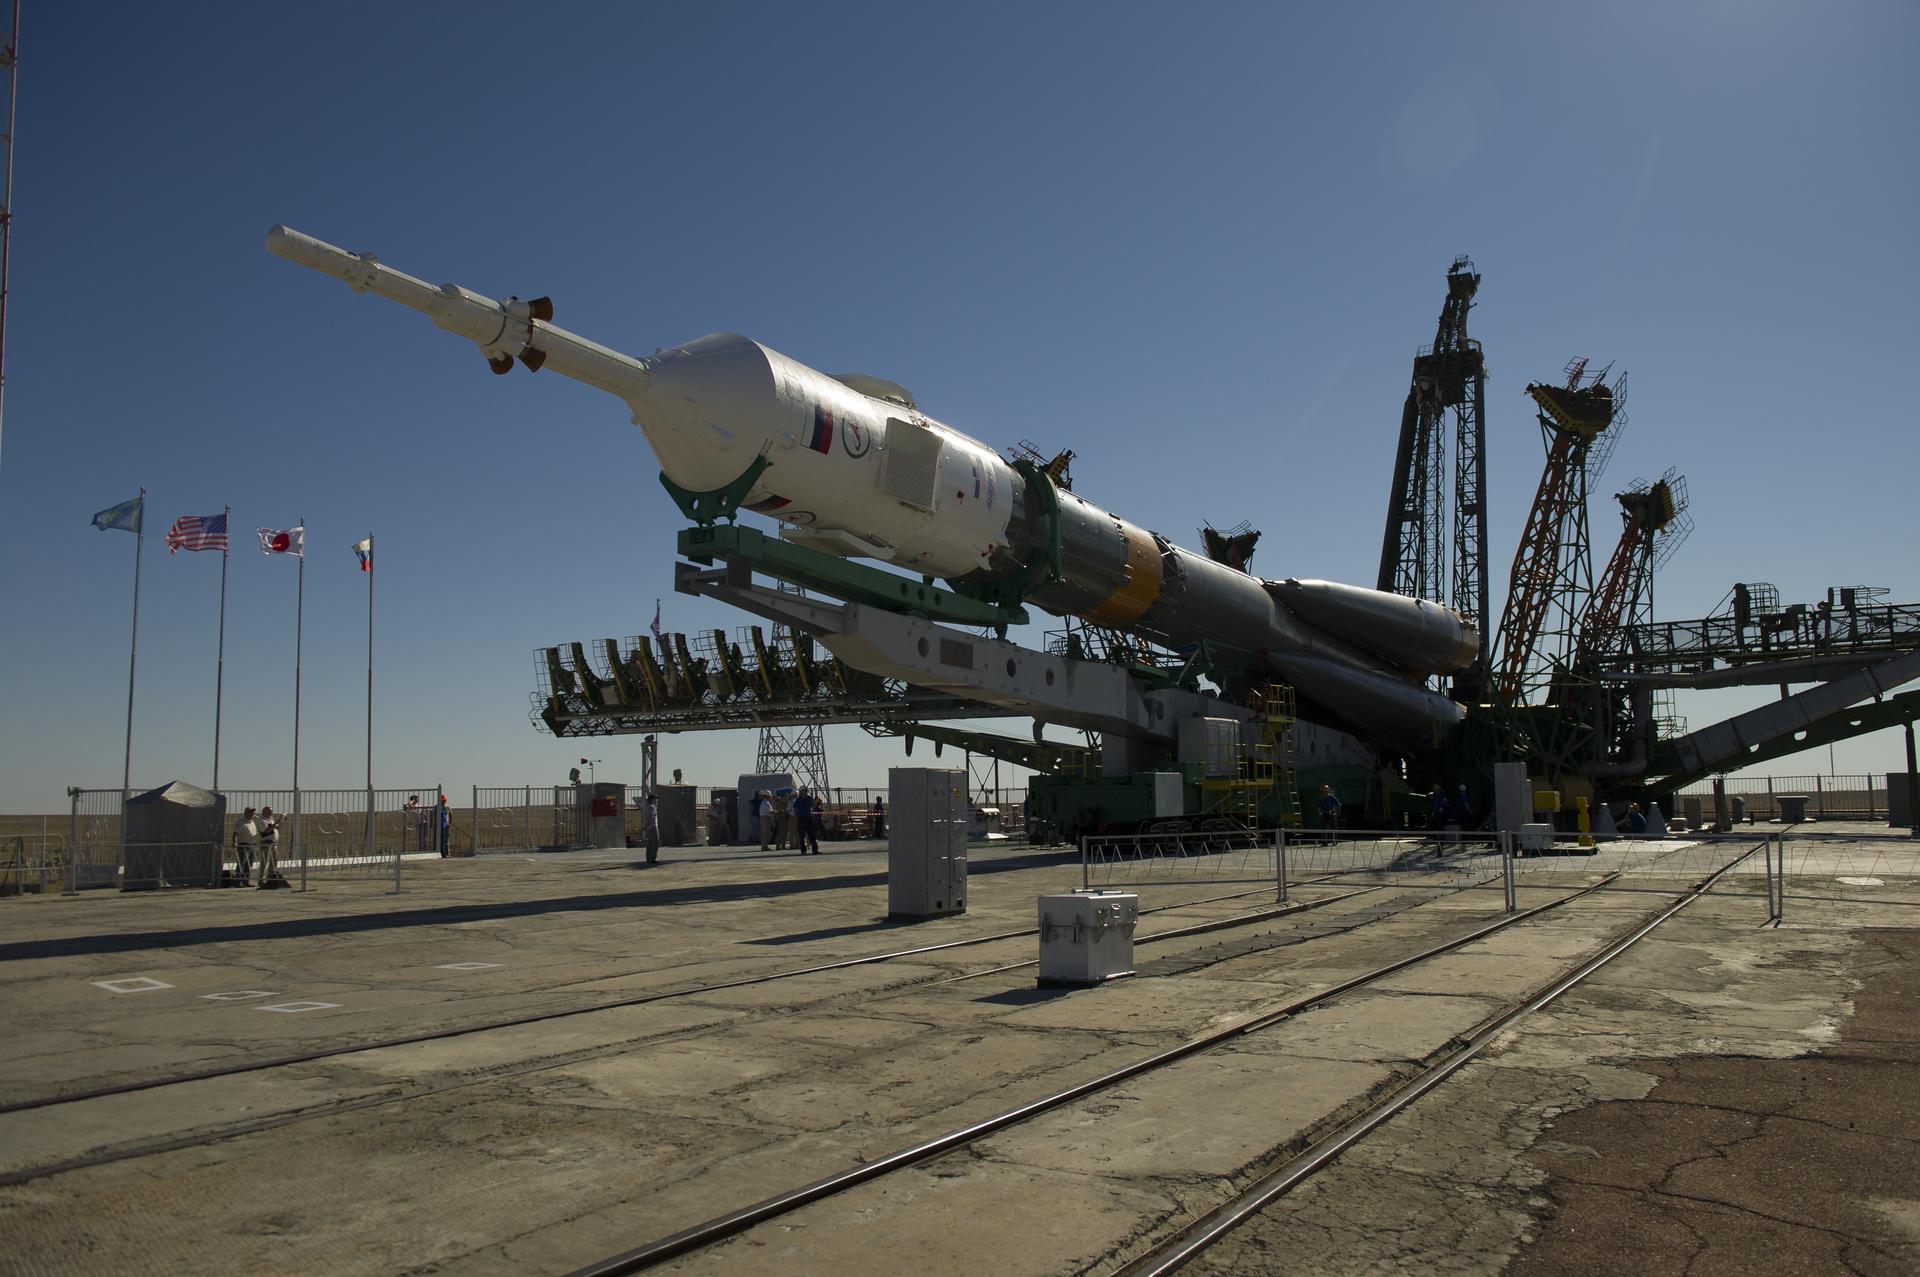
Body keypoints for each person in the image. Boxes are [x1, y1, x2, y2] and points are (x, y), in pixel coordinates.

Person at [233, 807, 259, 886]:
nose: (253, 814)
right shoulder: (241, 822)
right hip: (243, 845)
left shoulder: (252, 822)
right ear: (246, 813)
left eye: (253, 813)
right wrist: (234, 842)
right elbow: (235, 833)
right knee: (241, 863)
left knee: (249, 864)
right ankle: (238, 882)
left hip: (251, 845)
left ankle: (246, 881)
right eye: (251, 812)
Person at [256, 806, 281, 886]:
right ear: (264, 812)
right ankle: (261, 879)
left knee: (273, 862)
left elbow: (276, 828)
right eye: (269, 812)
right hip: (266, 843)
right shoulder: (261, 821)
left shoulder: (271, 820)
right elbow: (266, 831)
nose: (270, 813)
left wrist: (281, 821)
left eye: (271, 812)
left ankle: (270, 878)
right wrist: (277, 822)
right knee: (264, 861)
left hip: (274, 843)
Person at [792, 787, 820, 854]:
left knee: (812, 835)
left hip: (809, 818)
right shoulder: (798, 800)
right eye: (802, 790)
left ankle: (815, 850)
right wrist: (798, 816)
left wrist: (814, 806)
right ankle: (803, 850)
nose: (804, 791)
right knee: (802, 835)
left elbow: (813, 806)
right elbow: (795, 809)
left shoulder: (809, 798)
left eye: (805, 790)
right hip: (801, 819)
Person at [641, 793, 660, 865]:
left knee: (650, 843)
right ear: (652, 799)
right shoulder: (651, 807)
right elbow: (650, 817)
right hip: (653, 827)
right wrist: (646, 826)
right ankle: (652, 858)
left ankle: (649, 858)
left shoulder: (648, 807)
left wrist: (646, 827)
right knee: (655, 843)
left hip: (650, 827)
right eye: (655, 799)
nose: (656, 800)